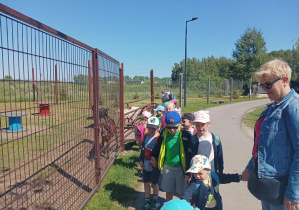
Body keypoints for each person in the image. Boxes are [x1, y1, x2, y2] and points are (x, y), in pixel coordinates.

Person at [241, 59, 299, 210]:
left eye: (268, 85)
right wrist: (250, 166)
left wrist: (293, 193)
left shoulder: (293, 108)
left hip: (283, 187)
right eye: (262, 85)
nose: (265, 89)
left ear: (285, 80)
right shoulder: (271, 107)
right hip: (268, 186)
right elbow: (263, 143)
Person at [151, 111, 193, 201]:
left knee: (182, 192)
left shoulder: (185, 136)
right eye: (169, 128)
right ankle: (169, 206)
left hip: (181, 169)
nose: (172, 130)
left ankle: (181, 207)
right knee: (169, 190)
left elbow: (189, 155)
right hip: (167, 167)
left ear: (180, 124)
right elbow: (158, 147)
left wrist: (188, 173)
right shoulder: (163, 133)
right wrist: (154, 156)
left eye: (175, 127)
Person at [139, 116, 161, 210]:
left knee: (154, 183)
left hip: (154, 165)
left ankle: (155, 199)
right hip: (145, 163)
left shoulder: (159, 138)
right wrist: (141, 159)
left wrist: (157, 161)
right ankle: (147, 199)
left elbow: (161, 152)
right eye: (150, 127)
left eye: (154, 128)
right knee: (146, 182)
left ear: (158, 128)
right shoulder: (146, 136)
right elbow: (143, 149)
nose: (151, 130)